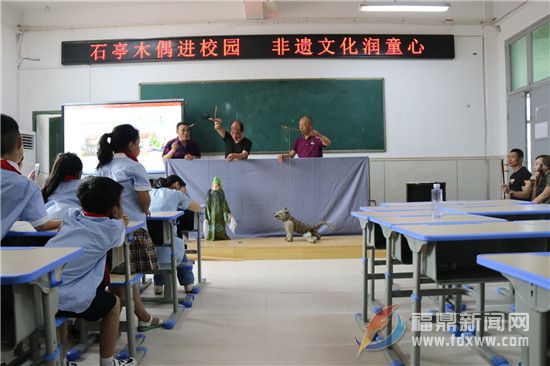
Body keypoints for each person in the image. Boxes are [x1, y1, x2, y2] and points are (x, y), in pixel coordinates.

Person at [45, 176, 136, 366]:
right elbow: (118, 233)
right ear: (114, 209)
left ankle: (61, 361)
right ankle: (107, 361)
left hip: (43, 296)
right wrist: (120, 221)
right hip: (70, 298)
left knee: (60, 314)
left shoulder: (71, 216)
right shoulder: (112, 229)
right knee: (114, 304)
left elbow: (83, 214)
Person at [95, 124, 161, 328]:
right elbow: (144, 201)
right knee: (125, 277)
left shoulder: (102, 166)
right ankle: (114, 323)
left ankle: (140, 315)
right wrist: (145, 207)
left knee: (124, 275)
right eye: (139, 143)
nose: (139, 147)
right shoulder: (134, 167)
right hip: (132, 228)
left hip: (105, 228)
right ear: (131, 144)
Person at [1, 114, 61, 239]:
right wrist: (66, 222)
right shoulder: (26, 187)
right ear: (19, 142)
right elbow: (43, 226)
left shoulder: (24, 185)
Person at [149, 175, 201, 295]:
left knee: (163, 248)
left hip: (149, 242)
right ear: (177, 185)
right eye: (184, 189)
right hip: (169, 241)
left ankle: (158, 285)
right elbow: (197, 208)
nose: (185, 192)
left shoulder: (151, 192)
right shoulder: (177, 194)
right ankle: (188, 285)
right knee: (177, 247)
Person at [42, 152, 83, 219]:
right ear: (79, 171)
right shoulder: (83, 186)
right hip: (73, 221)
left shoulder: (50, 186)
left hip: (49, 219)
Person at [204, 176, 232, 240]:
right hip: (212, 214)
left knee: (221, 226)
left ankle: (222, 236)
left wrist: (228, 212)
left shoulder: (222, 194)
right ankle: (212, 236)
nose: (215, 188)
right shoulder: (210, 194)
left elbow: (225, 204)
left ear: (219, 186)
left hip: (221, 214)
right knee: (212, 226)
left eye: (216, 186)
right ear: (212, 186)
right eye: (214, 186)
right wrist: (206, 217)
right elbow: (207, 206)